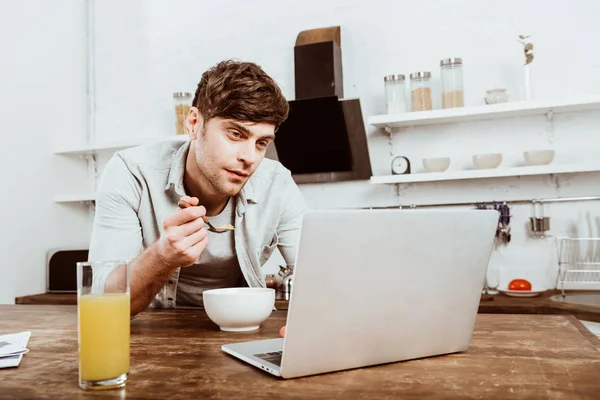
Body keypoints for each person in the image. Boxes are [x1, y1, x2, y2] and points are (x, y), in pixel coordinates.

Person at [88, 60, 307, 319]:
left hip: (242, 332)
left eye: (261, 143)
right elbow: (103, 307)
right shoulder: (131, 173)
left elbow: (320, 278)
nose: (249, 157)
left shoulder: (277, 183)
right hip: (152, 335)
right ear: (193, 123)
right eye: (236, 134)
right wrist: (163, 255)